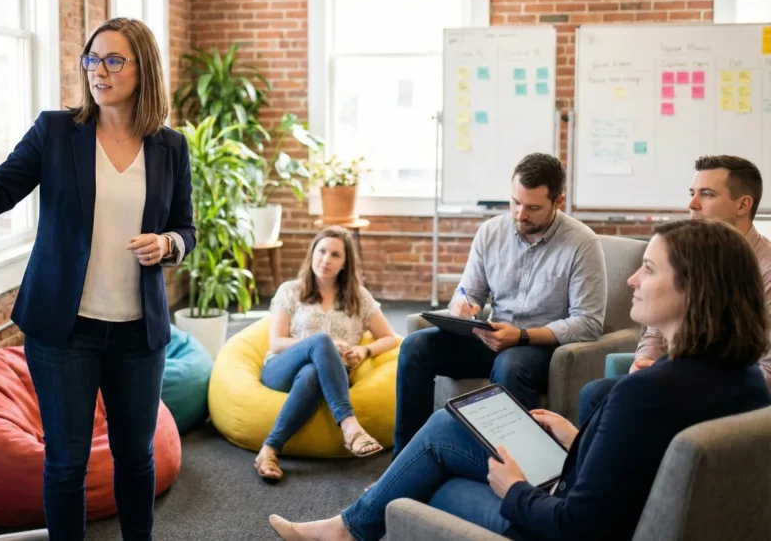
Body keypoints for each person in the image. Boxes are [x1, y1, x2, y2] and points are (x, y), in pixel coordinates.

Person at [268, 219, 771, 541]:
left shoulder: (645, 393)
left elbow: (577, 527)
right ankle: (353, 522)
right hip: (601, 497)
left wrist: (512, 489)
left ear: (693, 290)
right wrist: (580, 440)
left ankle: (349, 527)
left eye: (647, 269)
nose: (633, 280)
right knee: (444, 419)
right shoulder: (747, 380)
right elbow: (644, 464)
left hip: (558, 520)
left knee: (425, 486)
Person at [0, 17, 194, 541]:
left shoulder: (169, 147)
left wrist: (168, 245)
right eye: (92, 59)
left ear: (144, 70)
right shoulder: (55, 131)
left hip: (139, 331)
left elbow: (186, 227)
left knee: (136, 459)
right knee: (66, 464)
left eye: (114, 60)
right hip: (64, 332)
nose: (99, 71)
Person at [394, 153, 607, 459]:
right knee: (415, 347)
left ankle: (516, 471)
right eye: (515, 202)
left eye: (533, 208)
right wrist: (464, 308)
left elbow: (588, 323)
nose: (520, 215)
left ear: (558, 202)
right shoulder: (491, 232)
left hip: (542, 346)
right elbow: (468, 292)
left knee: (511, 365)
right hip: (492, 336)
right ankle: (405, 460)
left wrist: (521, 336)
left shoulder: (582, 244)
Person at [579, 155, 771, 422]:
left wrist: (682, 384)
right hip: (676, 374)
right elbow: (657, 325)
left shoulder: (766, 268)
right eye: (692, 193)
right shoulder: (692, 255)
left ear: (743, 204)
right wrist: (644, 361)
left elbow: (766, 371)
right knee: (596, 393)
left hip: (727, 394)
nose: (692, 204)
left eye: (707, 194)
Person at [253, 227, 399, 482]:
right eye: (321, 252)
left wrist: (364, 350)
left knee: (311, 373)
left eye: (335, 255)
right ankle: (349, 425)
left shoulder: (359, 298)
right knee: (321, 341)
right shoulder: (291, 290)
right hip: (280, 369)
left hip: (327, 377)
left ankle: (269, 449)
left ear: (345, 263)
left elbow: (390, 337)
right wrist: (327, 343)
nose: (326, 260)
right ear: (311, 254)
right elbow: (276, 343)